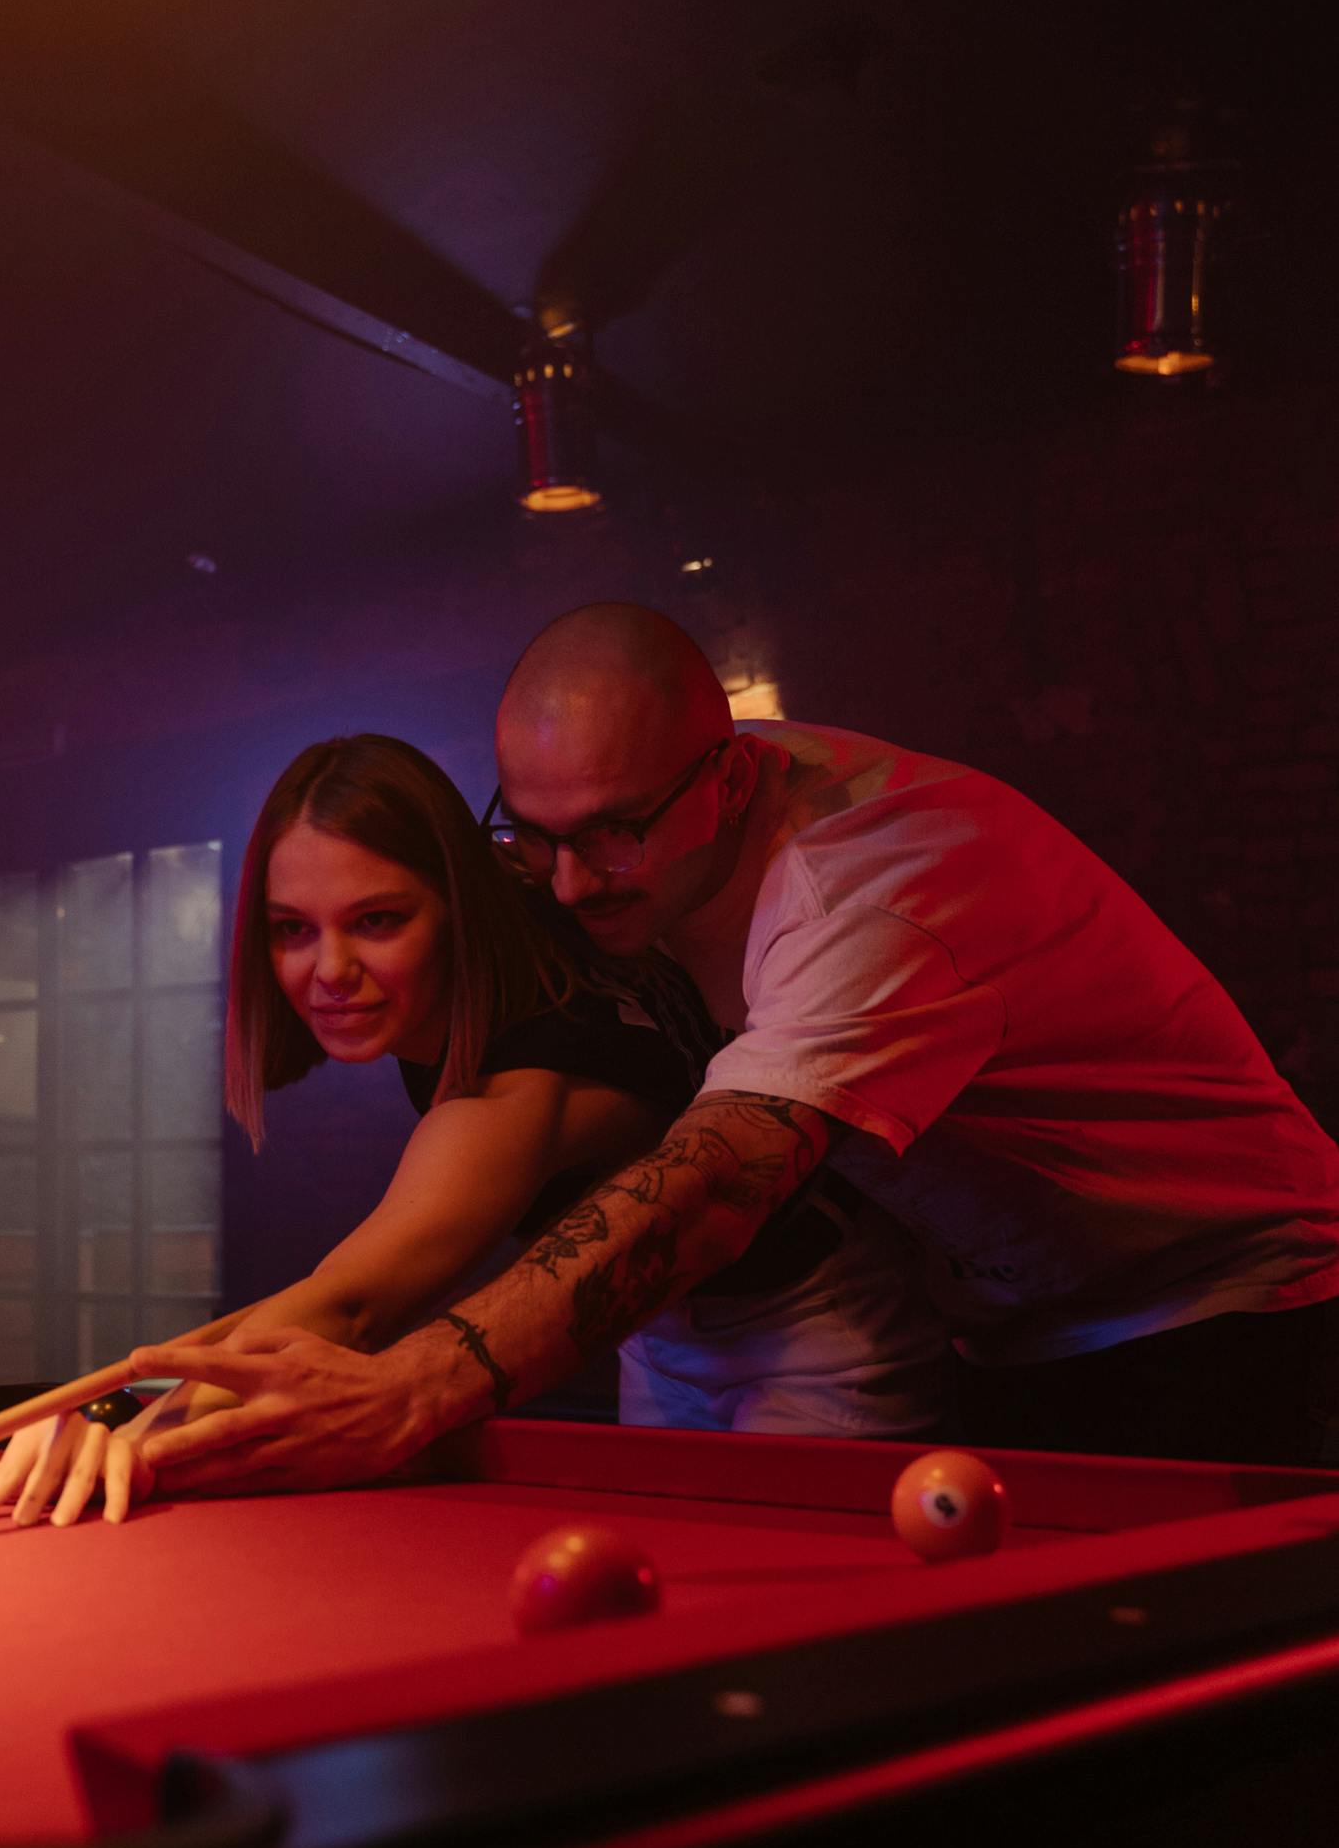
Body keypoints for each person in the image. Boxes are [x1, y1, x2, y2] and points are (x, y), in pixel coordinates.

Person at [118, 604, 1339, 1497]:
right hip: (1009, 1316)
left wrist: (415, 1386)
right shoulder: (611, 844)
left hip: (1219, 1299)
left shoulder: (861, 897)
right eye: (533, 834)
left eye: (612, 833)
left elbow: (711, 1184)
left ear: (731, 769)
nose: (569, 878)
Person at [0, 731, 948, 1530]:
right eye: (291, 928)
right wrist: (113, 1398)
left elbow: (352, 1306)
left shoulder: (516, 1084)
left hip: (816, 1336)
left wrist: (109, 1411)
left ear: (454, 907)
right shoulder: (519, 916)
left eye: (376, 919)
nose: (327, 969)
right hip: (657, 1330)